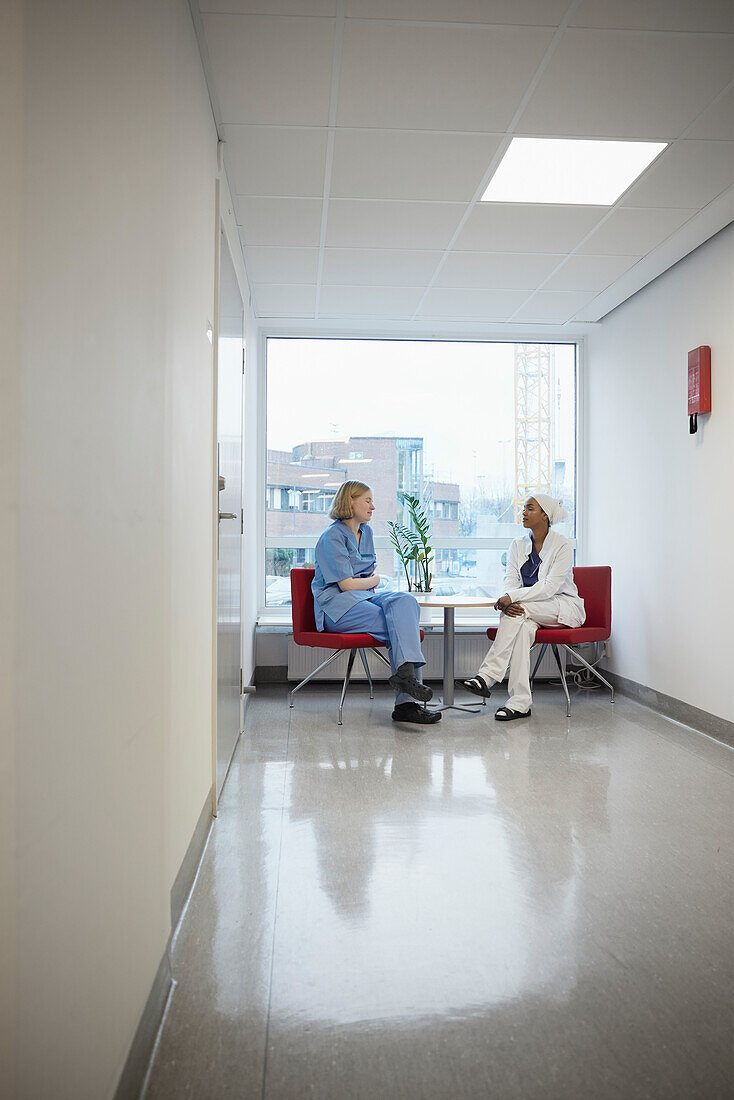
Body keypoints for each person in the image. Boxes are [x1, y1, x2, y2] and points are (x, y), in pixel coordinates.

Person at [313, 480, 441, 726]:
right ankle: (406, 704)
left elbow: (361, 580)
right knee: (399, 624)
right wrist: (375, 579)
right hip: (337, 608)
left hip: (365, 597)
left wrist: (370, 581)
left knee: (406, 601)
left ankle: (405, 677)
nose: (373, 506)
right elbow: (346, 585)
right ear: (350, 501)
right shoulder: (332, 537)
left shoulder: (366, 532)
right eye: (368, 500)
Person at [459, 494, 585, 721]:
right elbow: (510, 580)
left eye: (530, 508)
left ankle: (487, 676)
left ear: (545, 515)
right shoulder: (517, 545)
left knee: (521, 611)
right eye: (524, 508)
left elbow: (549, 588)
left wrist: (512, 598)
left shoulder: (562, 545)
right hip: (529, 609)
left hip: (562, 606)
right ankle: (520, 703)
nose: (523, 512)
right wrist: (510, 598)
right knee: (523, 629)